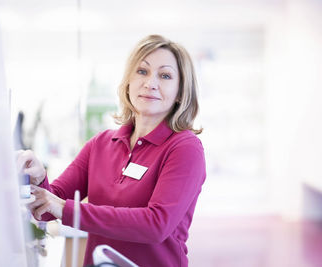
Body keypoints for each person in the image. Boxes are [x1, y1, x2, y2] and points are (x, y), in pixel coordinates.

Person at [17, 34, 206, 267]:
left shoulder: (184, 148)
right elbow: (48, 210)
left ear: (180, 92)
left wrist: (65, 208)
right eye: (142, 71)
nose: (150, 83)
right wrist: (38, 177)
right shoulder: (101, 144)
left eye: (165, 75)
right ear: (128, 81)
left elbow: (156, 224)